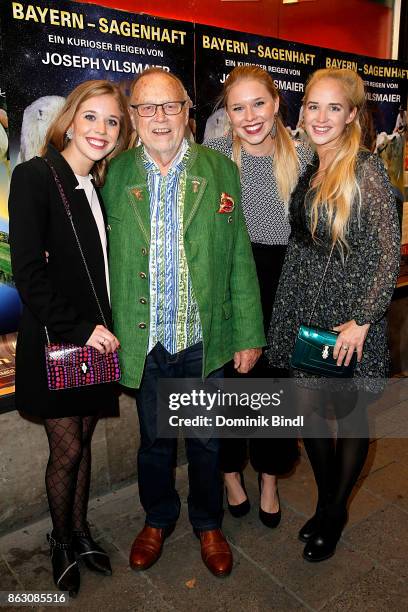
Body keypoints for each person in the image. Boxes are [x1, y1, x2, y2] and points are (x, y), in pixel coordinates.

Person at [102, 67, 265, 577]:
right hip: (145, 339)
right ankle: (157, 518)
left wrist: (248, 333)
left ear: (187, 113)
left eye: (170, 106)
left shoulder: (219, 170)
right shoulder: (113, 174)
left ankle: (207, 522)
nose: (159, 118)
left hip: (202, 336)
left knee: (206, 441)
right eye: (146, 108)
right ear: (132, 117)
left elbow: (239, 253)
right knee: (153, 441)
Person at [267, 68, 400, 562]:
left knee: (348, 413)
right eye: (312, 106)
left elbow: (388, 253)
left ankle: (333, 512)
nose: (320, 117)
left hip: (347, 316)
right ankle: (328, 504)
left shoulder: (365, 169)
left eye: (333, 108)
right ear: (302, 111)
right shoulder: (311, 164)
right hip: (304, 306)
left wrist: (364, 320)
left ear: (350, 116)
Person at [8, 80, 131, 596]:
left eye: (112, 122)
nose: (101, 130)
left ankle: (79, 533)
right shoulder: (36, 176)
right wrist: (83, 330)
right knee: (64, 451)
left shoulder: (93, 186)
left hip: (92, 345)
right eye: (92, 117)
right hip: (62, 342)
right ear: (70, 119)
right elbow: (29, 274)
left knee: (80, 443)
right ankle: (60, 541)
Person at [205, 66, 311, 528]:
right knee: (228, 390)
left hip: (284, 292)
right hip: (229, 289)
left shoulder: (305, 156)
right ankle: (231, 475)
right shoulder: (211, 158)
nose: (249, 116)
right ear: (226, 113)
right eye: (237, 107)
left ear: (276, 104)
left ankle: (268, 478)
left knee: (274, 391)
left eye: (258, 104)